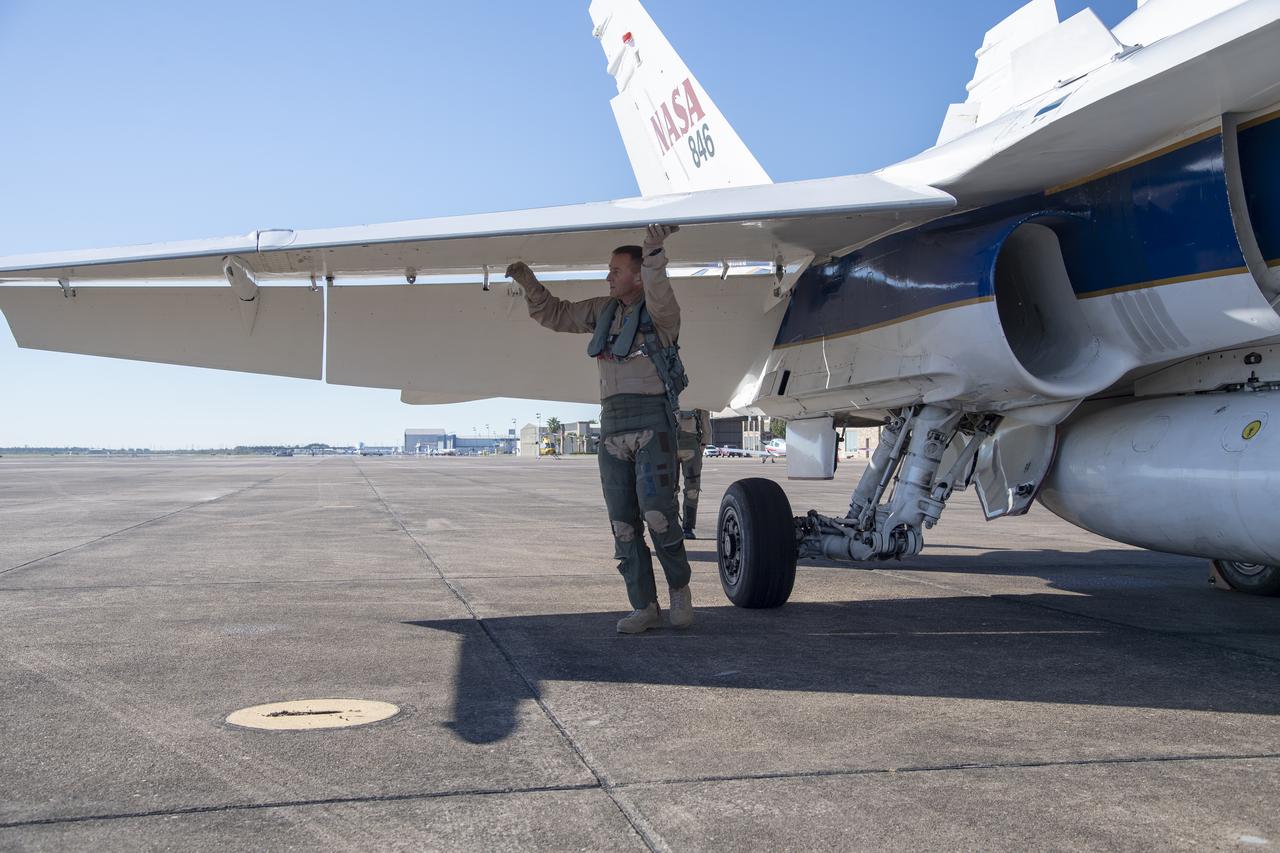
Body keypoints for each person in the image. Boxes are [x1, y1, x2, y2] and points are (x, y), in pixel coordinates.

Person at [506, 224, 694, 634]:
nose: (608, 277)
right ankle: (644, 606)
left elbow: (659, 288)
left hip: (652, 424)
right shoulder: (601, 311)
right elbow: (554, 314)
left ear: (638, 275)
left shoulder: (661, 314)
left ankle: (679, 589)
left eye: (615, 270)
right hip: (612, 428)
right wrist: (528, 283)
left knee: (659, 515)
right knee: (623, 523)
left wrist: (653, 250)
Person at [676, 408, 711, 538]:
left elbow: (705, 425)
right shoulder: (697, 397)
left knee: (691, 490)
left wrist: (701, 447)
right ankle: (682, 528)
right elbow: (706, 429)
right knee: (671, 490)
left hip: (681, 447)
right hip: (670, 446)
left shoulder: (698, 401)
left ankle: (687, 527)